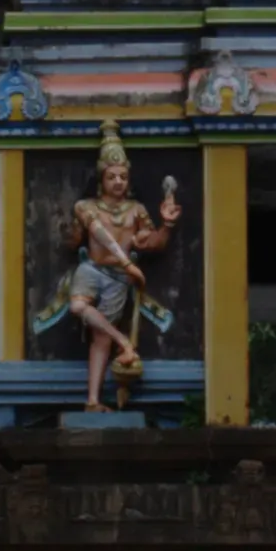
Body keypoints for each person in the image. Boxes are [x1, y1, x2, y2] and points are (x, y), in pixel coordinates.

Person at [50, 123, 180, 408]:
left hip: (119, 279)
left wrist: (167, 225)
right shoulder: (87, 207)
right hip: (92, 269)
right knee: (78, 307)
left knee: (100, 339)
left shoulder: (137, 211)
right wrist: (69, 233)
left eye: (123, 176)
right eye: (112, 177)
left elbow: (151, 243)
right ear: (102, 180)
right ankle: (125, 342)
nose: (118, 182)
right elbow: (92, 234)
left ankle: (93, 400)